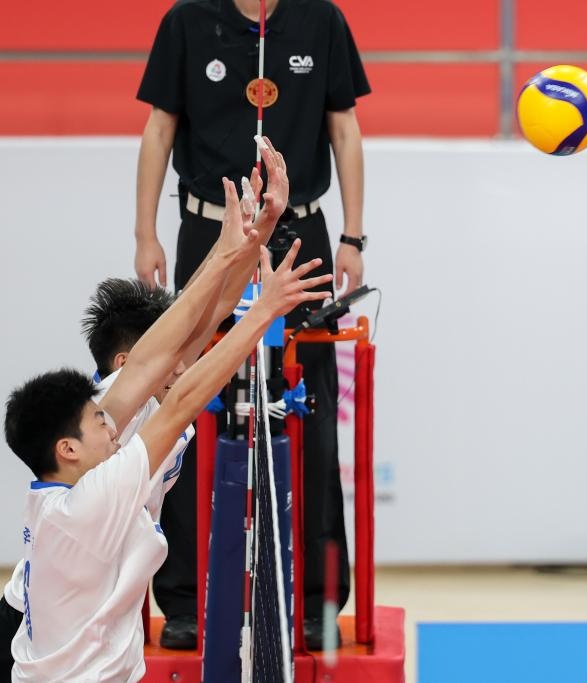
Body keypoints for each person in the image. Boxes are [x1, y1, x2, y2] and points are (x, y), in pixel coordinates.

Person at [4, 179, 331, 682]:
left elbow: (209, 312)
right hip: (50, 629)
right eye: (170, 351)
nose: (184, 357)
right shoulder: (103, 443)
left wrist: (256, 234)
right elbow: (182, 398)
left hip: (63, 616)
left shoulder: (112, 414)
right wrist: (261, 307)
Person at [133, 0, 369, 647]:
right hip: (211, 232)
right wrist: (145, 232)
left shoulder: (321, 20)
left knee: (309, 410)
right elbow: (158, 128)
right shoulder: (187, 21)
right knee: (186, 403)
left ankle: (317, 600)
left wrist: (352, 235)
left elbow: (344, 128)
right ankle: (185, 598)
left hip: (298, 229)